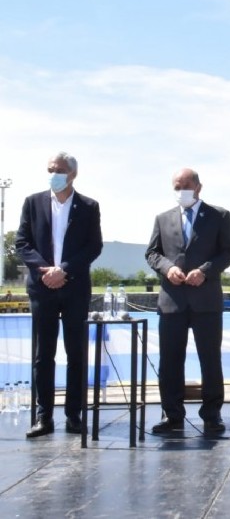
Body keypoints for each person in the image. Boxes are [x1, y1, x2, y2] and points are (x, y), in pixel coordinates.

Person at [16, 152, 103, 438]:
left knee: (76, 353)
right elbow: (22, 242)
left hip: (75, 287)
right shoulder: (33, 202)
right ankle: (44, 416)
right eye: (50, 169)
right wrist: (45, 271)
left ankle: (74, 415)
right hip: (42, 288)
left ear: (72, 174)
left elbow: (93, 247)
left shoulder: (89, 206)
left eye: (59, 170)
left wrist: (63, 270)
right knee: (44, 355)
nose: (54, 174)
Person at [145, 168, 230, 435]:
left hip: (206, 300)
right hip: (172, 300)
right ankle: (171, 415)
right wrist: (167, 268)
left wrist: (205, 271)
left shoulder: (219, 216)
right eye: (177, 186)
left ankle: (212, 414)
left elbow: (229, 252)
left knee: (210, 359)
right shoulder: (162, 218)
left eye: (186, 185)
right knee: (170, 360)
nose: (181, 190)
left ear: (199, 187)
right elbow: (152, 253)